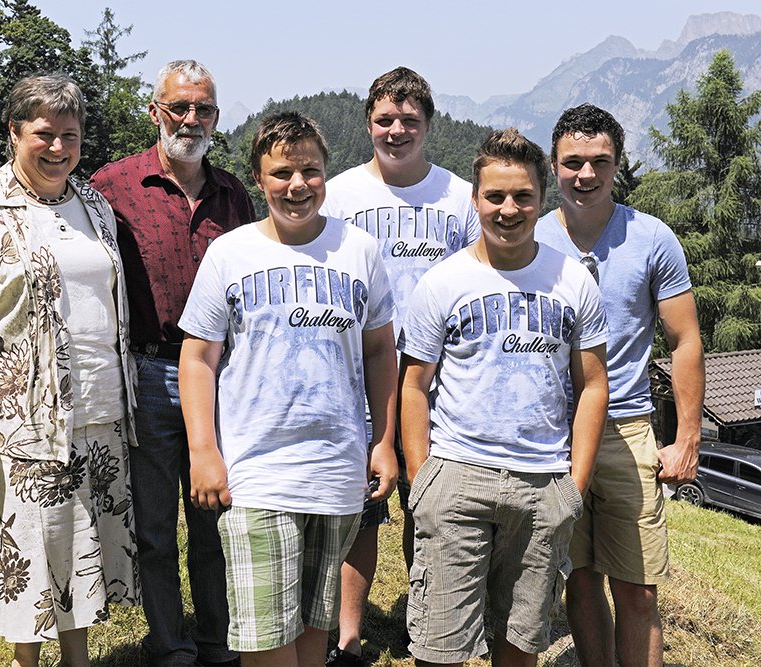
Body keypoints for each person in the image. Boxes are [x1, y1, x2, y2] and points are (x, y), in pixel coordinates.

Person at [0, 72, 139, 667]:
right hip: (26, 417)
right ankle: (26, 661)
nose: (58, 147)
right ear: (15, 133)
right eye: (44, 133)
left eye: (70, 135)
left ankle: (78, 658)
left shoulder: (93, 203)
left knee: (82, 540)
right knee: (31, 544)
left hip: (103, 406)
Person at [178, 111, 398, 667]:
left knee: (311, 632)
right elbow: (198, 356)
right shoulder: (230, 254)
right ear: (258, 177)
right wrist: (203, 449)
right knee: (266, 645)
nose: (297, 185)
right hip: (258, 472)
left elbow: (379, 352)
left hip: (336, 471)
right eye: (282, 173)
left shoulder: (360, 251)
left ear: (326, 172)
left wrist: (384, 441)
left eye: (310, 171)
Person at [399, 128, 609, 666]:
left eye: (522, 197)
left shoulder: (574, 282)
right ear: (475, 200)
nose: (508, 209)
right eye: (495, 196)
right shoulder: (443, 283)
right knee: (438, 646)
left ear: (542, 200)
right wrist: (422, 478)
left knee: (519, 646)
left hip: (542, 484)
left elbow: (592, 386)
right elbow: (414, 386)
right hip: (456, 475)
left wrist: (574, 487)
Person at [89, 60, 255, 667]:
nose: (191, 119)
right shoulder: (112, 186)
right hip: (150, 369)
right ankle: (170, 644)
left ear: (216, 116)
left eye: (203, 109)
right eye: (179, 107)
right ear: (155, 110)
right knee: (155, 523)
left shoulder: (234, 192)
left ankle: (217, 640)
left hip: (220, 373)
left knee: (216, 515)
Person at [534, 103, 705, 667]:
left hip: (627, 431)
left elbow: (684, 341)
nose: (585, 174)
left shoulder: (652, 238)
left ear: (617, 164)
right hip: (551, 434)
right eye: (573, 162)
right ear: (553, 165)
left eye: (599, 162)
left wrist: (686, 440)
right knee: (579, 582)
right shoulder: (528, 240)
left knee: (637, 589)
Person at [320, 66, 479, 665]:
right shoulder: (338, 195)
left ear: (428, 125)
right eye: (385, 119)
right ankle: (348, 636)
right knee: (362, 508)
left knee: (433, 504)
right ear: (368, 124)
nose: (397, 130)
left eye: (409, 120)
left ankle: (429, 625)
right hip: (359, 375)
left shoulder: (459, 197)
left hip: (445, 379)